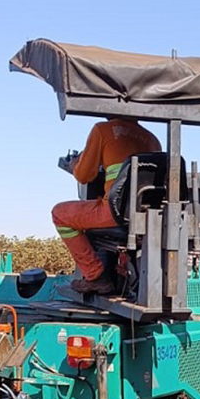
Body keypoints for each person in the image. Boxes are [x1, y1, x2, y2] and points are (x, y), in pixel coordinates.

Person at [53, 117, 161, 294]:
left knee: (59, 214)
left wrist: (75, 164)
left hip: (115, 213)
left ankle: (95, 276)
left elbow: (84, 175)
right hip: (147, 216)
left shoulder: (103, 130)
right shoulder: (152, 140)